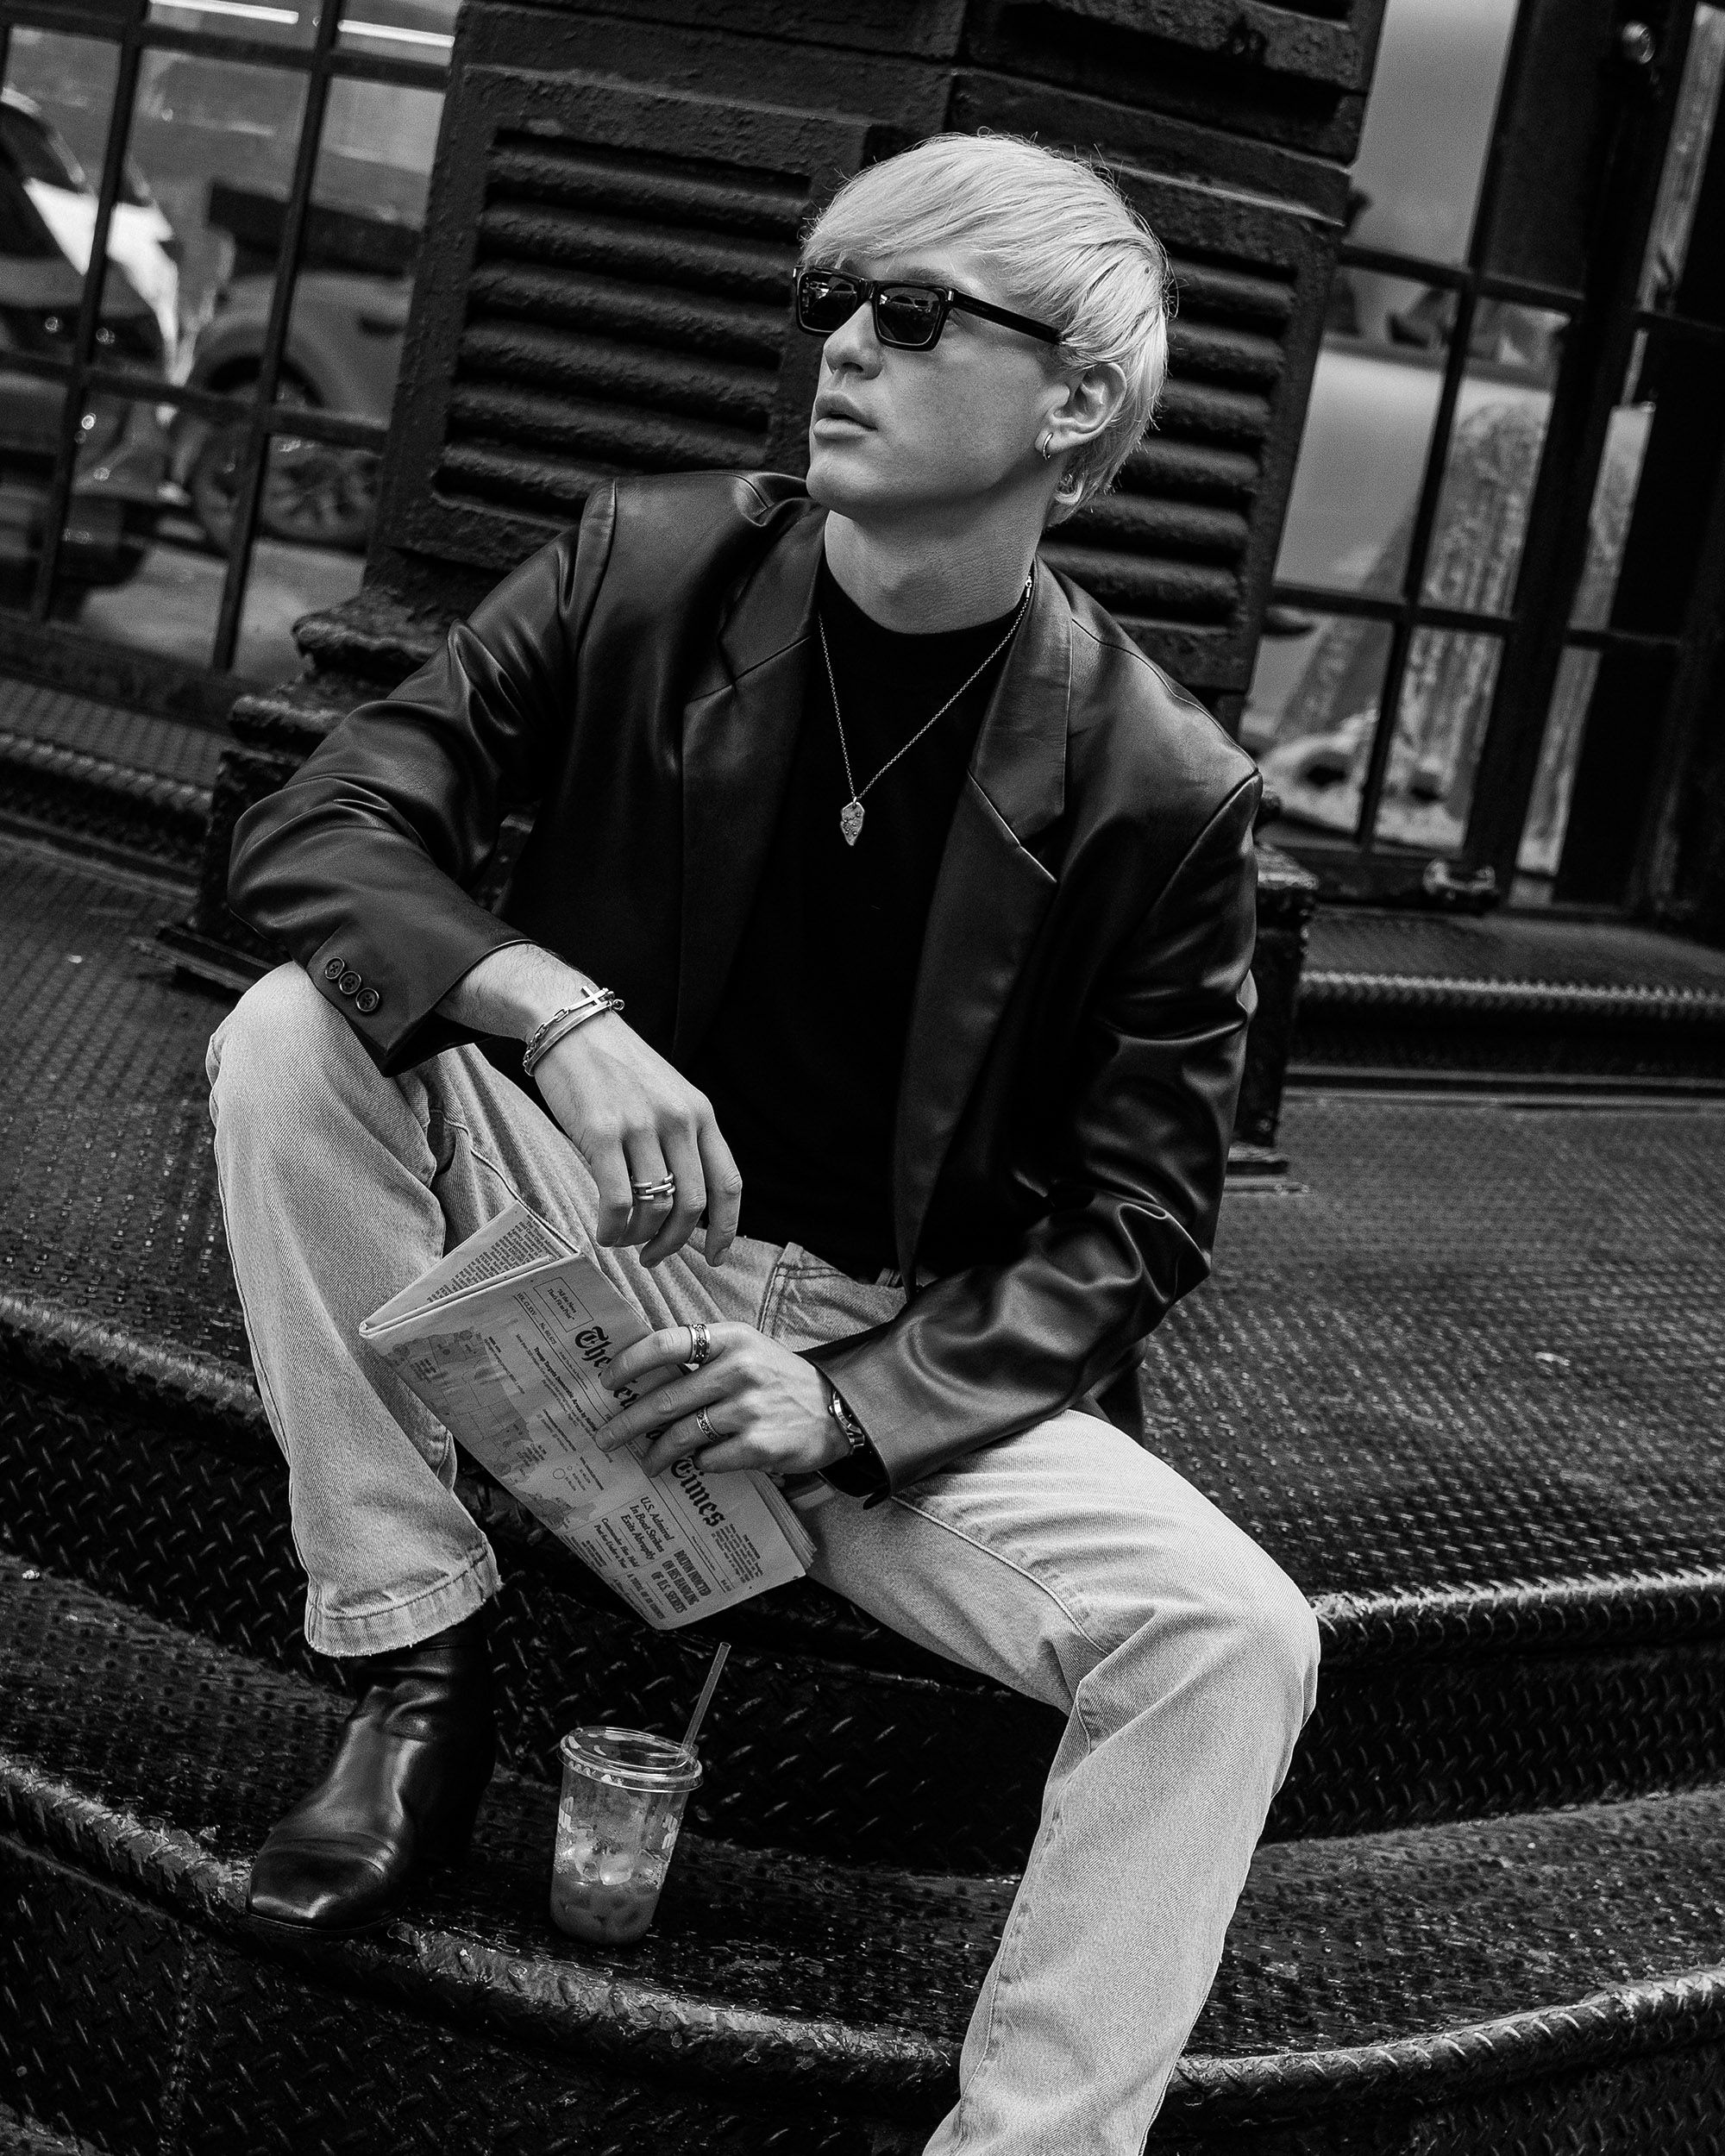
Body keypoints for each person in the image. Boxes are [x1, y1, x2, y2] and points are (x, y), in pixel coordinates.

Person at [206, 130, 1320, 2155]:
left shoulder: (1163, 785)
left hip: (882, 1351)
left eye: (912, 310)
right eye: (829, 301)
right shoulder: (646, 566)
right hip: (587, 1232)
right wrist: (554, 1009)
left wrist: (852, 1400)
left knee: (1235, 1634)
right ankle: (418, 1659)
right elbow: (320, 826)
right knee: (297, 1033)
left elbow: (1140, 1217)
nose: (843, 348)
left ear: (1074, 399)